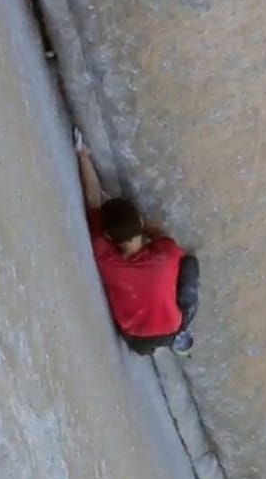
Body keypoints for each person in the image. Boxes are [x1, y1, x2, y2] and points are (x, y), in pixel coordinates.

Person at [76, 134, 198, 356]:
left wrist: (84, 157)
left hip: (135, 340)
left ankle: (169, 339)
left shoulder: (104, 255)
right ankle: (180, 335)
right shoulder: (167, 254)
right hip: (171, 327)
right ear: (141, 223)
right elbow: (162, 235)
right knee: (190, 263)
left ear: (108, 236)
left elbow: (93, 198)